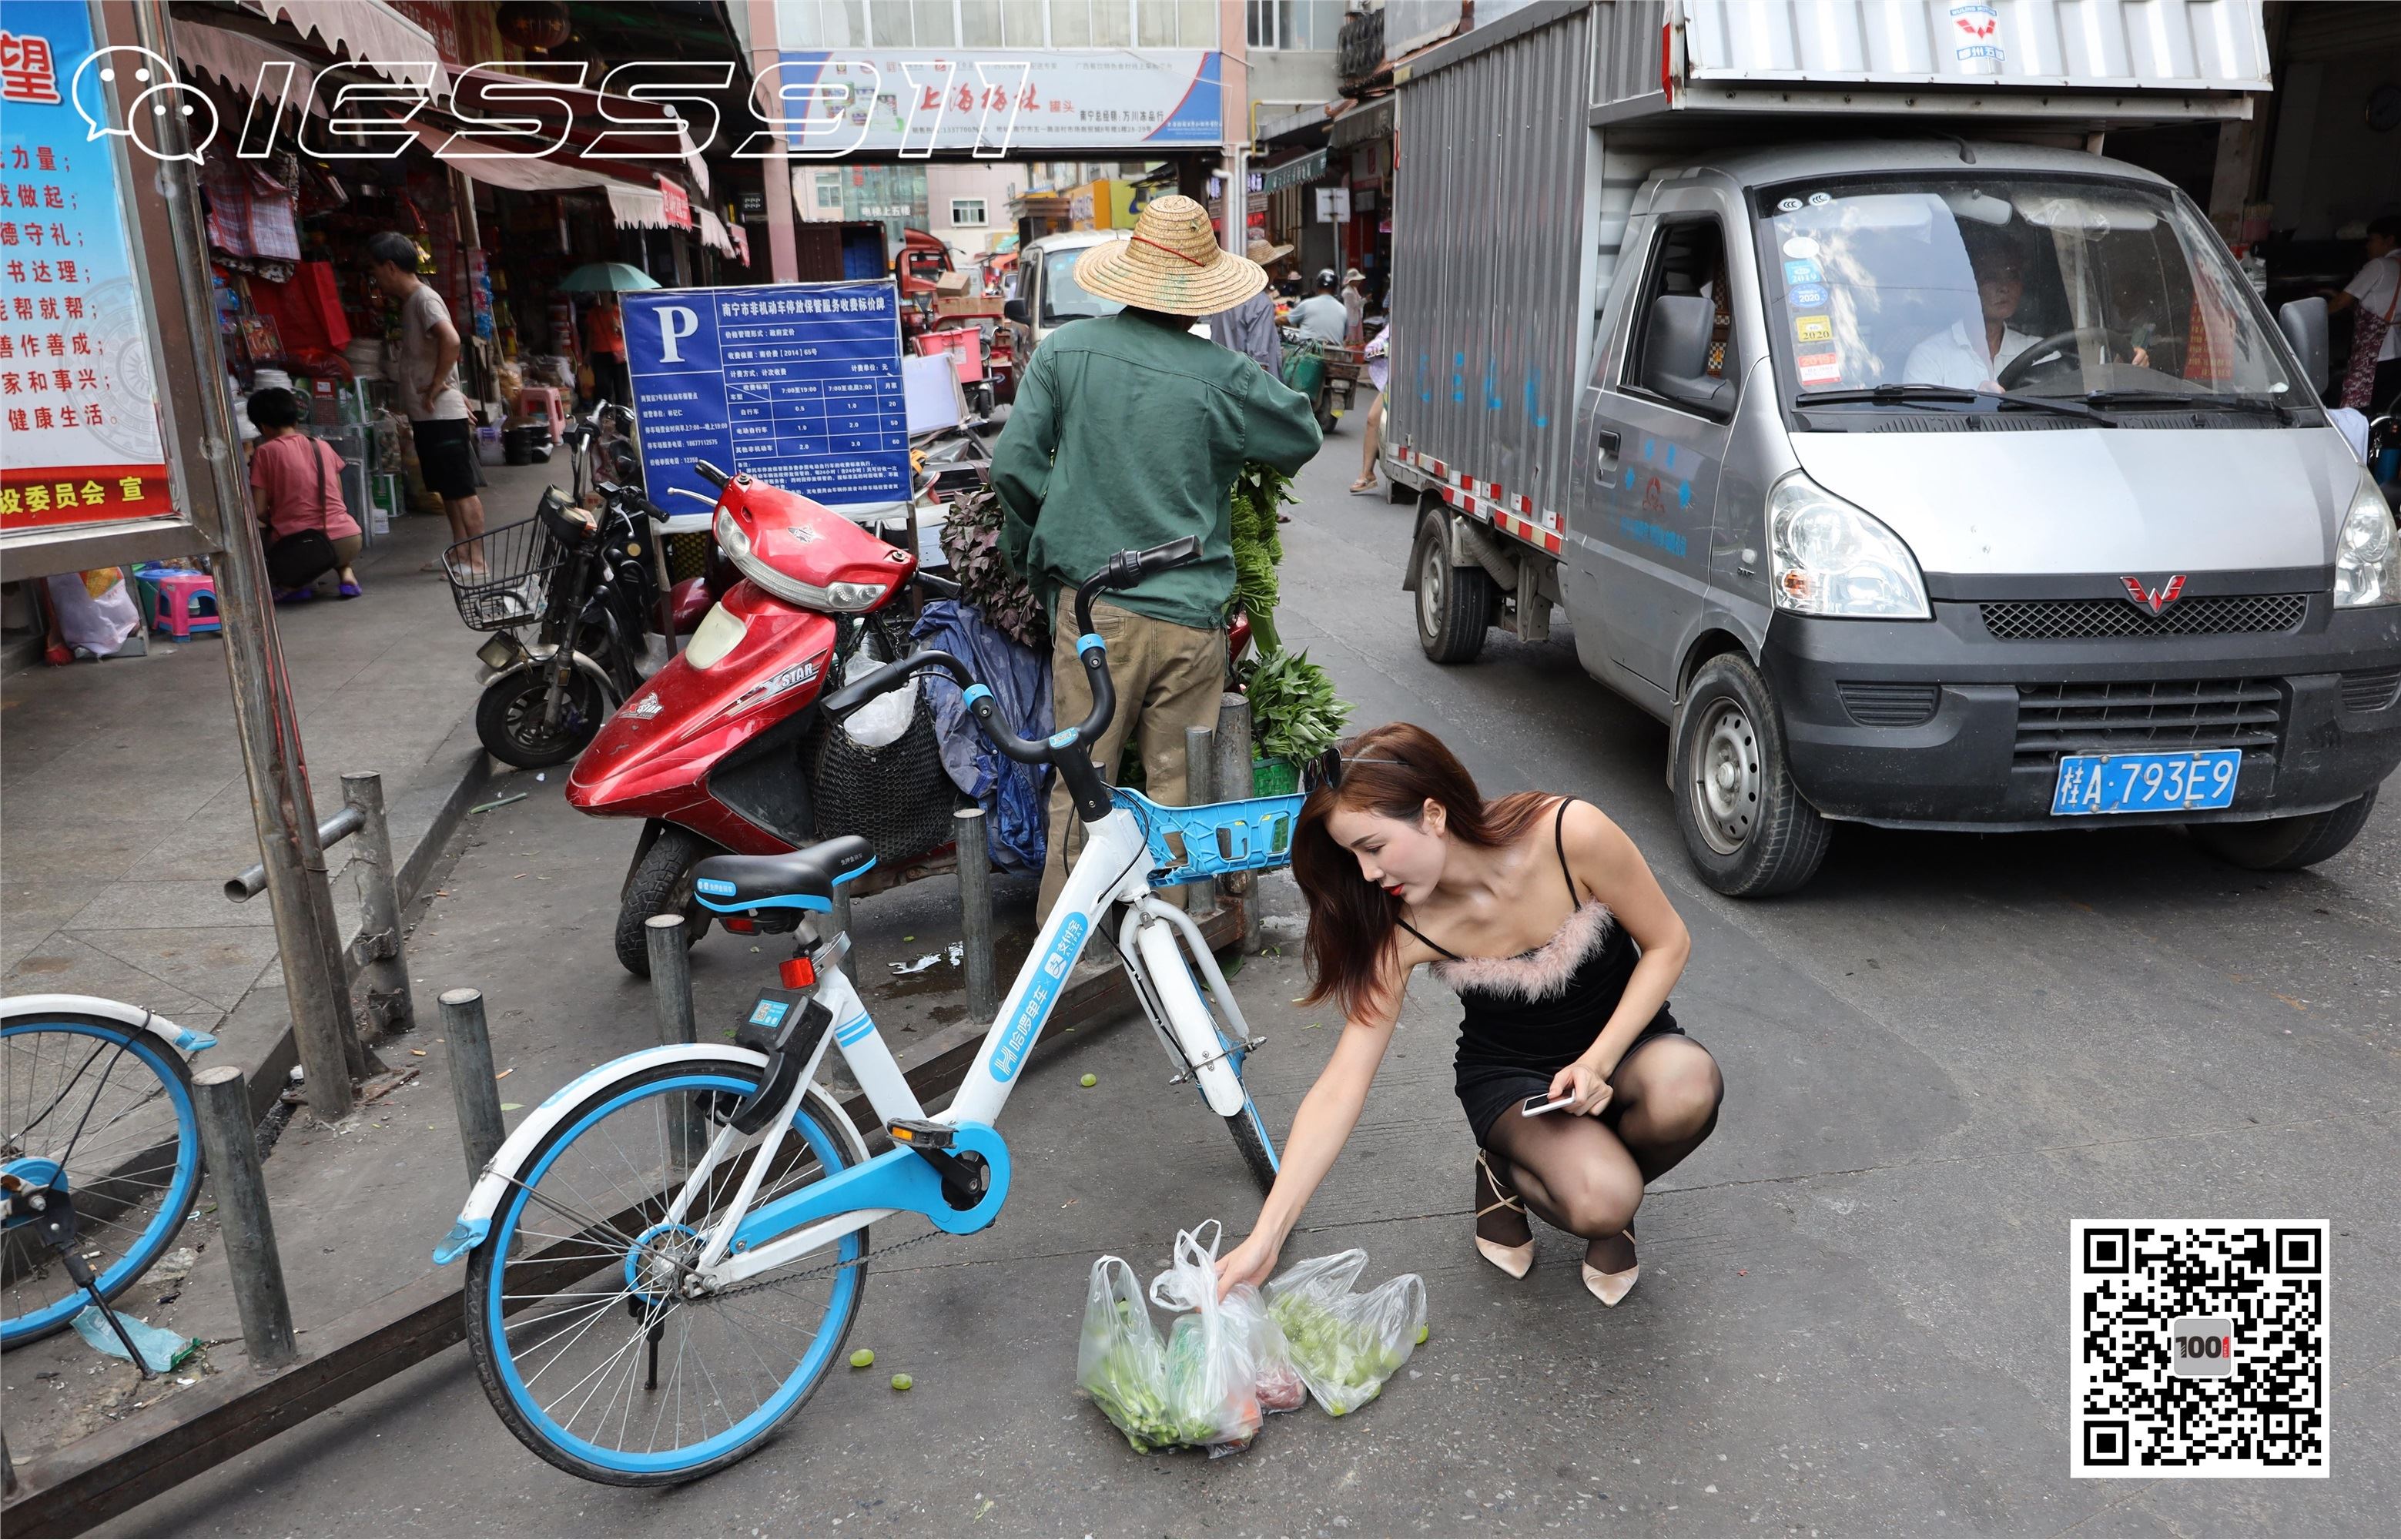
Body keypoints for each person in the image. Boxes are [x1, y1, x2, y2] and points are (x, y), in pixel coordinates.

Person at [1214, 722, 1723, 1308]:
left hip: (1624, 1044)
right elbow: (1340, 1086)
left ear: (1433, 814)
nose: (1368, 874)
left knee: (1687, 1089)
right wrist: (1266, 1237)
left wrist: (1598, 1062)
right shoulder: (1400, 930)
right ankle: (1509, 1167)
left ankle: (1590, 1160)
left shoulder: (1569, 834)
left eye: (1373, 847)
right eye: (1352, 856)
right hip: (1512, 1077)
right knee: (1603, 1201)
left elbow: (1669, 943)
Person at [991, 196, 1323, 921]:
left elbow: (1013, 469)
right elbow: (1299, 434)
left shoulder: (1064, 353)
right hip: (1192, 616)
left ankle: (1068, 954)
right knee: (1175, 790)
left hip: (1094, 612)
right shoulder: (1223, 375)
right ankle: (1169, 945)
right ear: (1200, 290)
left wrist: (1037, 554)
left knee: (1084, 784)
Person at [366, 231, 485, 577]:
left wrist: (436, 387)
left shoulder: (424, 300)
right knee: (448, 488)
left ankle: (476, 560)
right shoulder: (414, 302)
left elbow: (451, 340)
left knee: (461, 488)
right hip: (431, 414)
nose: (375, 278)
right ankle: (460, 554)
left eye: (375, 270)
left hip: (440, 412)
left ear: (390, 267)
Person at [246, 386, 363, 601]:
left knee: (276, 535)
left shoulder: (265, 453)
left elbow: (259, 510)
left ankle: (296, 583)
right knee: (328, 524)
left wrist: (279, 519)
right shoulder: (322, 445)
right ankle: (346, 574)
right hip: (349, 539)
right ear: (295, 419)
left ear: (262, 426)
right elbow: (337, 494)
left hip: (304, 549)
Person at [1903, 234, 2040, 390]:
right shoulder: (1929, 357)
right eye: (1990, 277)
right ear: (1964, 286)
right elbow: (1921, 415)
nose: (2004, 287)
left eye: (2012, 275)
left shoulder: (2038, 352)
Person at [2323, 216, 2401, 413]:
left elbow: (2342, 301)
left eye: (2372, 240)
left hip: (2374, 356)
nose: (2367, 246)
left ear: (2389, 240)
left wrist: (2315, 318)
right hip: (2396, 354)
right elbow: (2379, 309)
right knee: (2382, 412)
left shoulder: (2380, 266)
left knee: (2355, 411)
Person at [1205, 238, 1292, 375]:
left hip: (1221, 378)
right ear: (1268, 270)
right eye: (1275, 267)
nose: (1276, 273)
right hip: (1245, 384)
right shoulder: (1261, 302)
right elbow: (1259, 361)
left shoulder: (1225, 297)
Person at [1350, 319, 1389, 495]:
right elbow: (1380, 341)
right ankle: (1367, 473)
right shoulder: (1401, 322)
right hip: (1399, 382)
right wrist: (1379, 349)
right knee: (1373, 419)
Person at [584, 294, 629, 408]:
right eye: (601, 294)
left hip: (618, 355)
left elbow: (628, 334)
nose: (604, 297)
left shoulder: (619, 311)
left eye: (606, 294)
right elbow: (590, 334)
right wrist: (587, 353)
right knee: (602, 386)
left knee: (621, 389)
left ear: (610, 295)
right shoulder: (593, 313)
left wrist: (618, 327)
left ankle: (622, 417)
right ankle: (605, 416)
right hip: (600, 354)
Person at [1290, 268, 1348, 344]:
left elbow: (1287, 319)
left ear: (1318, 287)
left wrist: (1274, 320)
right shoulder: (1343, 310)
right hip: (1335, 353)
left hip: (1308, 352)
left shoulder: (1306, 304)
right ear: (1335, 289)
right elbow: (1344, 335)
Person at [1339, 267, 1368, 346]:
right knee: (1352, 338)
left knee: (1357, 338)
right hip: (1351, 318)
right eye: (1357, 280)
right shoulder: (1348, 292)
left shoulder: (1354, 289)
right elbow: (1355, 305)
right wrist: (1366, 300)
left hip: (1356, 317)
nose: (1359, 282)